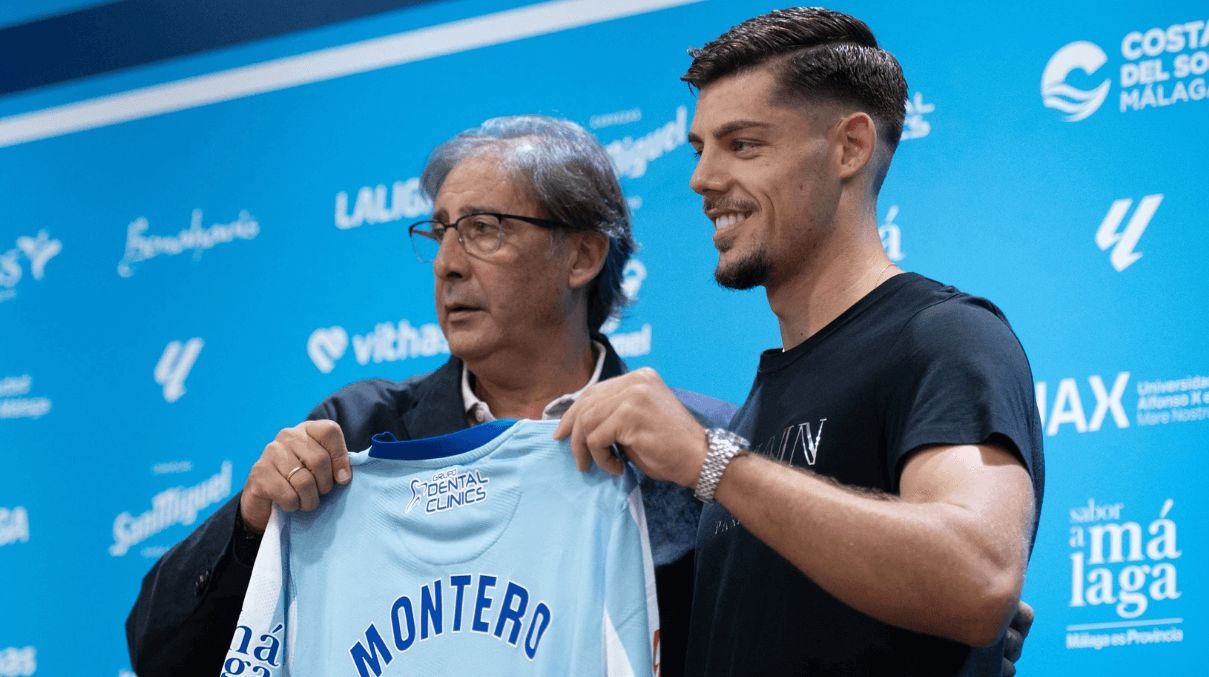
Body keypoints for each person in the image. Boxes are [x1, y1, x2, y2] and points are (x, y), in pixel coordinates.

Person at [125, 116, 733, 677]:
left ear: (582, 254)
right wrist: (252, 523)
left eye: (482, 230)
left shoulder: (694, 446)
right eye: (440, 232)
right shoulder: (358, 434)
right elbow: (161, 653)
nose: (446, 264)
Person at [555, 7, 1044, 676]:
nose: (700, 180)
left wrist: (710, 462)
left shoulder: (944, 336)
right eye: (700, 148)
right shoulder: (762, 400)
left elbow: (978, 578)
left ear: (848, 146)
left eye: (744, 144)